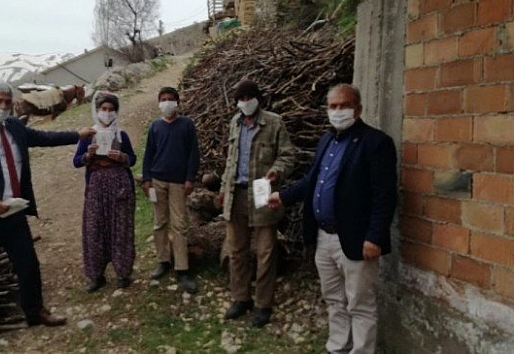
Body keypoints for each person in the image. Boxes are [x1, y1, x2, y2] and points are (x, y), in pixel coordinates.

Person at [0, 80, 96, 354]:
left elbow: (42, 138)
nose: (3, 107)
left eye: (7, 102)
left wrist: (78, 134)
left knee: (28, 265)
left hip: (13, 214)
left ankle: (35, 311)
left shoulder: (15, 126)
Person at [268, 83, 398, 354]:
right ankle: (338, 347)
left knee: (360, 305)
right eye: (333, 106)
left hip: (355, 239)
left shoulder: (376, 143)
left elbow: (384, 196)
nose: (338, 111)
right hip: (323, 237)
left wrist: (375, 237)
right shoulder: (327, 140)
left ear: (358, 109)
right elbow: (311, 181)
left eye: (344, 105)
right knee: (334, 300)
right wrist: (282, 196)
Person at [215, 80, 296, 327]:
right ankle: (241, 298)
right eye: (240, 98)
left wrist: (276, 171)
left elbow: (288, 155)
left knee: (266, 251)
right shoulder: (234, 124)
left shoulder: (274, 122)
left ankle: (263, 304)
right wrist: (222, 191)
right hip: (235, 193)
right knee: (236, 250)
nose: (245, 102)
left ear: (258, 99)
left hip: (261, 191)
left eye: (249, 97)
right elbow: (230, 161)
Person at [73, 90, 137, 293]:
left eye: (111, 109)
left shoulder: (121, 134)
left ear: (116, 112)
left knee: (121, 228)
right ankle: (96, 275)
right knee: (95, 229)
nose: (107, 113)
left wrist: (122, 158)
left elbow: (133, 159)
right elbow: (76, 161)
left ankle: (122, 273)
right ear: (97, 110)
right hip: (96, 188)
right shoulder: (88, 135)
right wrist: (87, 155)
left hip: (119, 186)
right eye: (103, 109)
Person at [141, 86, 200, 294]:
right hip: (158, 181)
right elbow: (148, 154)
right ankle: (163, 260)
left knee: (180, 224)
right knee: (159, 222)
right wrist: (146, 179)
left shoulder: (187, 125)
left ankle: (182, 267)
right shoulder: (155, 126)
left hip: (178, 183)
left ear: (177, 103)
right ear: (159, 103)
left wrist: (190, 178)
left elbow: (193, 153)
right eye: (163, 99)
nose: (167, 103)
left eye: (170, 99)